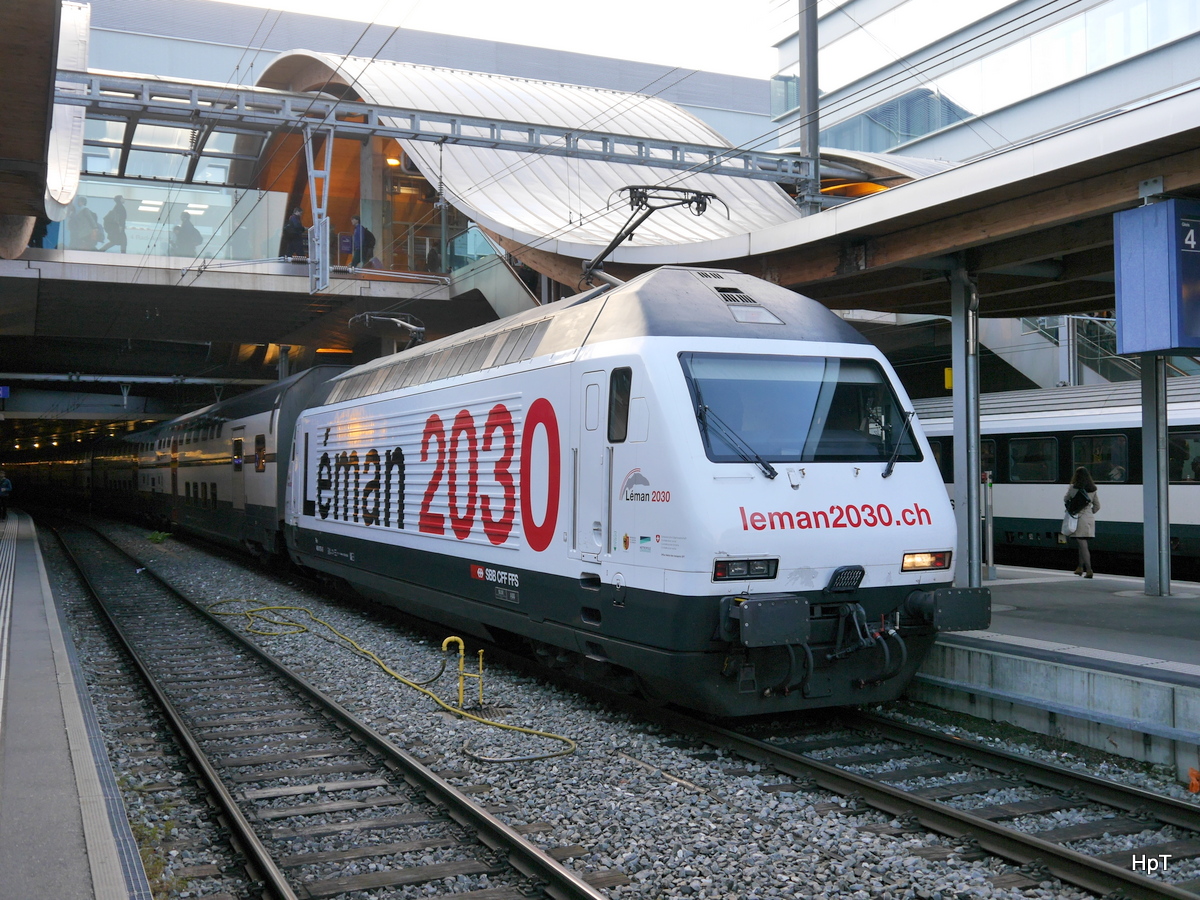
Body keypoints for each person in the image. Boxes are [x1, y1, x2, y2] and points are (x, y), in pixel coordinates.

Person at [1064, 466, 1100, 578]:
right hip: (1089, 518)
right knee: (1082, 543)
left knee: (1082, 544)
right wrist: (1089, 512)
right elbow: (1097, 506)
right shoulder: (1093, 489)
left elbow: (1066, 499)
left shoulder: (1073, 488)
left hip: (1079, 518)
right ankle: (1079, 568)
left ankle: (1089, 570)